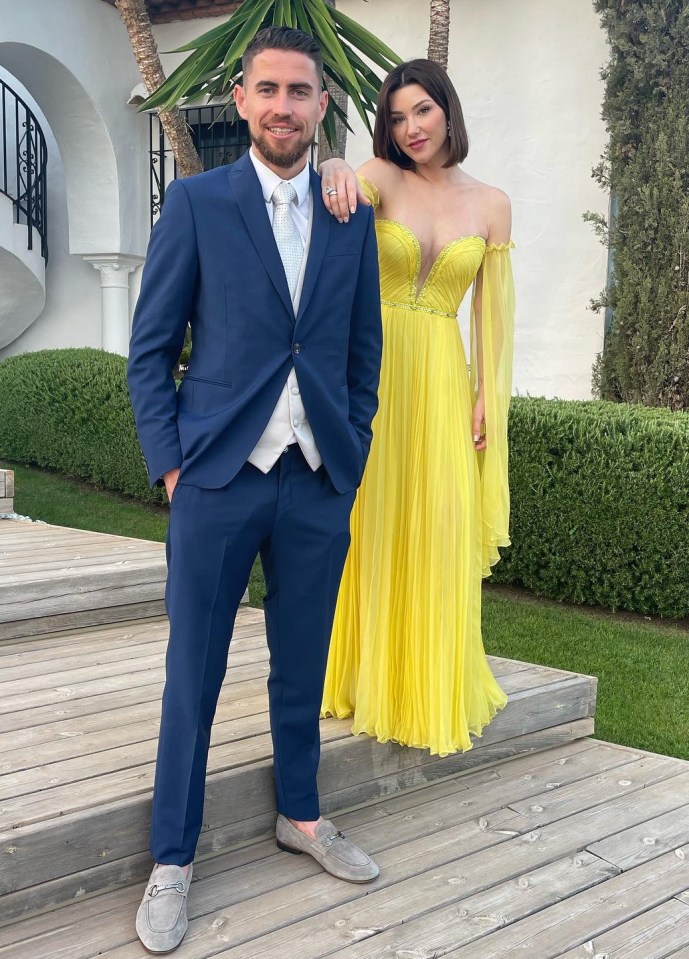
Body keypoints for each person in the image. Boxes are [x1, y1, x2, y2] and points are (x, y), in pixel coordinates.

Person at [127, 26, 383, 954]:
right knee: (191, 671)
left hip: (314, 480)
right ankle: (171, 856)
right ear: (241, 101)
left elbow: (361, 354)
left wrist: (348, 450)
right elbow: (150, 350)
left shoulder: (350, 211)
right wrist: (170, 463)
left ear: (321, 106)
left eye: (300, 92)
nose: (283, 106)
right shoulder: (195, 203)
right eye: (266, 89)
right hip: (217, 478)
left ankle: (302, 814)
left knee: (300, 663)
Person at [319, 59, 515, 758]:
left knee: (437, 524)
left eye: (421, 112)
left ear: (446, 111)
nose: (411, 129)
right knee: (370, 518)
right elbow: (334, 189)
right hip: (372, 373)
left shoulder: (491, 203)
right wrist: (338, 161)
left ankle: (426, 682)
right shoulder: (380, 176)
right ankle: (364, 675)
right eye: (397, 116)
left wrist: (490, 396)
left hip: (440, 379)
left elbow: (492, 316)